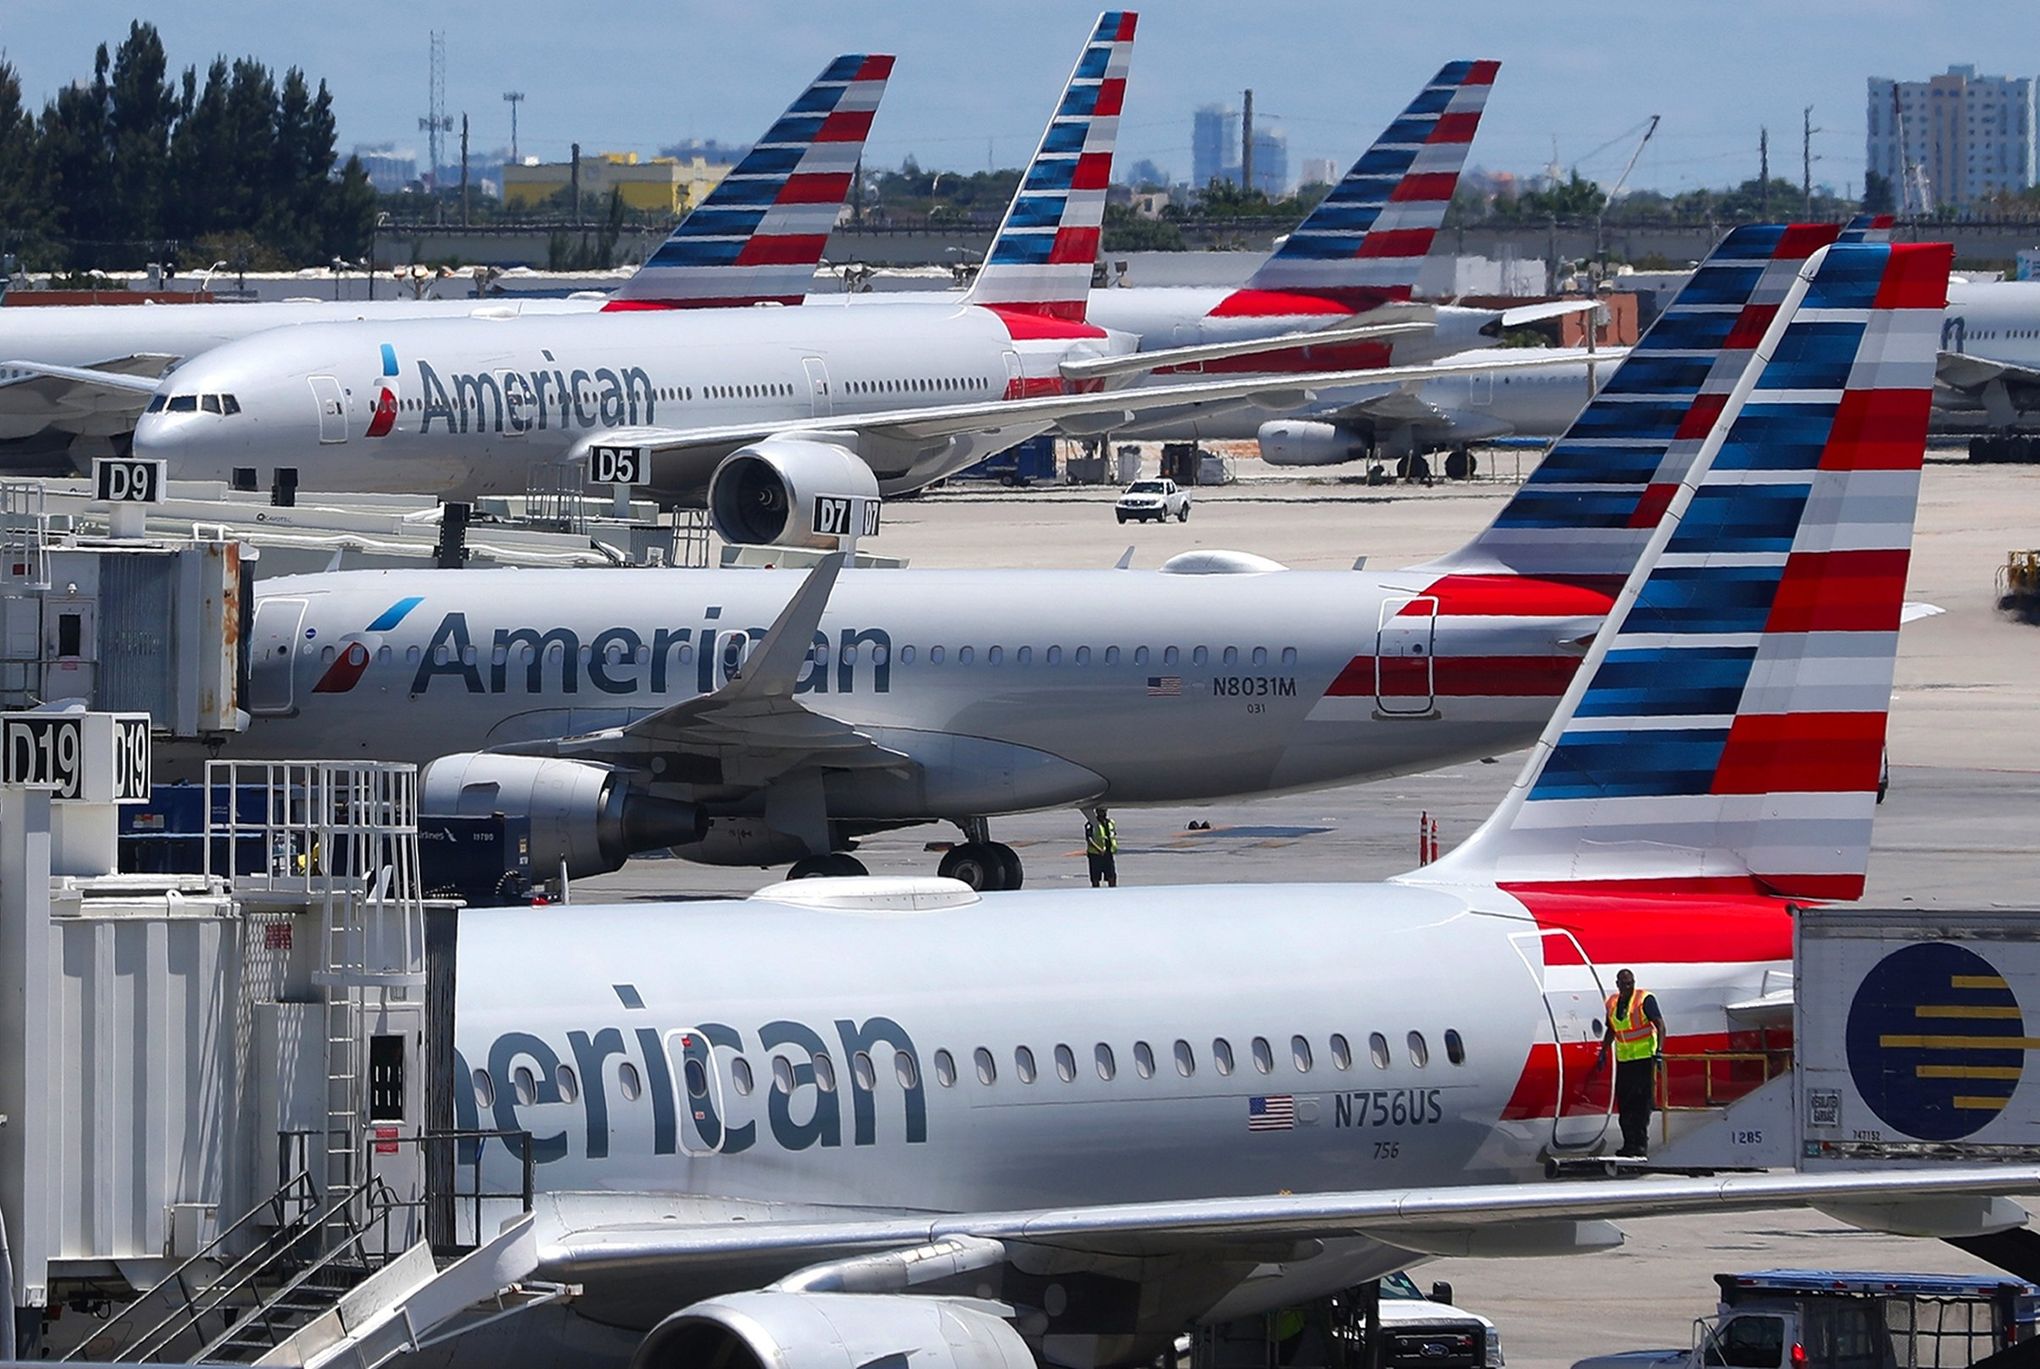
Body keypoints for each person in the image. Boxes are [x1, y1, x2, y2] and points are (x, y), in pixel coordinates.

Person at [1591, 967, 1665, 1158]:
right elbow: (1611, 1029)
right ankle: (1628, 1144)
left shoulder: (1644, 1000)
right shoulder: (1613, 1003)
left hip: (1643, 1060)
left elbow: (1660, 1025)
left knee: (1641, 1106)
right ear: (1617, 984)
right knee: (1625, 1105)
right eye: (1624, 984)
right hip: (1624, 1061)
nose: (1628, 987)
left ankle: (1639, 1145)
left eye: (1631, 983)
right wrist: (1604, 1051)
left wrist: (1659, 1052)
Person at [1084, 807, 1119, 888]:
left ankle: (1113, 893)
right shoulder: (1091, 824)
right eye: (1101, 811)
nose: (1103, 812)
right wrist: (1098, 849)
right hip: (1096, 855)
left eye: (1104, 810)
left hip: (1108, 853)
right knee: (1096, 878)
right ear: (1097, 812)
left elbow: (1112, 835)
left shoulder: (1110, 823)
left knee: (1112, 876)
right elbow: (1089, 839)